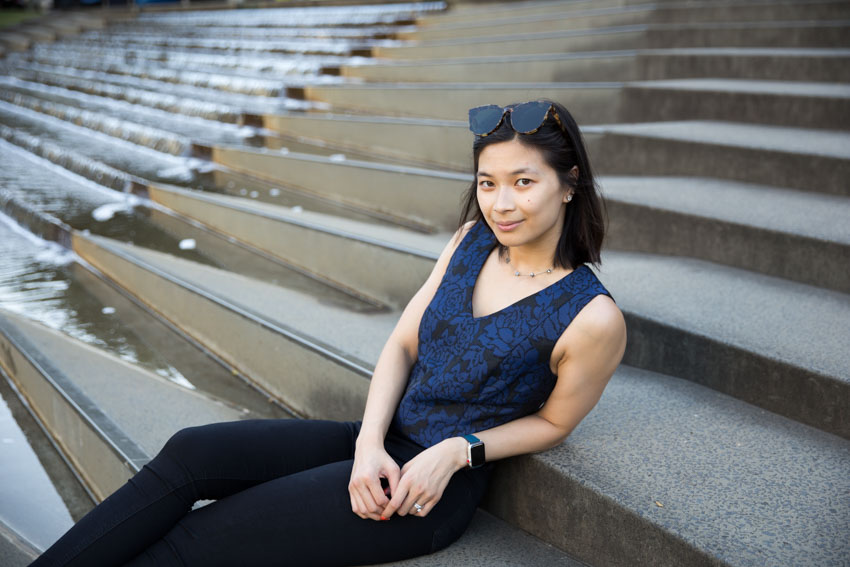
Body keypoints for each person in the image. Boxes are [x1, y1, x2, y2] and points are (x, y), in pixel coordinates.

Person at [30, 99, 627, 566]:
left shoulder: (590, 316)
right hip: (376, 439)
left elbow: (555, 424)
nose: (500, 204)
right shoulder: (470, 242)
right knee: (192, 452)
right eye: (487, 182)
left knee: (200, 540)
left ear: (569, 182)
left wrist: (458, 451)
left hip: (428, 495)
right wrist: (367, 444)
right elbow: (402, 344)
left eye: (524, 182)